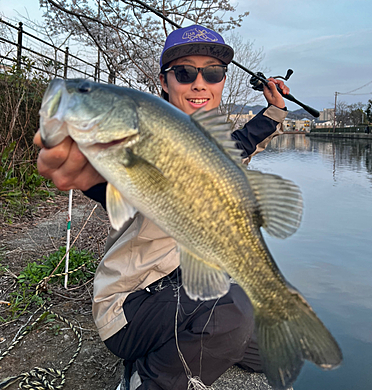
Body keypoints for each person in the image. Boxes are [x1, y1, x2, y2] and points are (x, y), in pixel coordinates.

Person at [34, 25, 289, 390]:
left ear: (222, 81)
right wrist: (89, 177)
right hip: (130, 306)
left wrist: (276, 108)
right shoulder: (134, 137)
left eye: (212, 73)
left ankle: (169, 348)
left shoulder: (211, 146)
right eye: (185, 73)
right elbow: (115, 185)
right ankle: (146, 381)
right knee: (233, 311)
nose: (200, 83)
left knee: (268, 350)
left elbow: (244, 142)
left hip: (186, 288)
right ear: (164, 81)